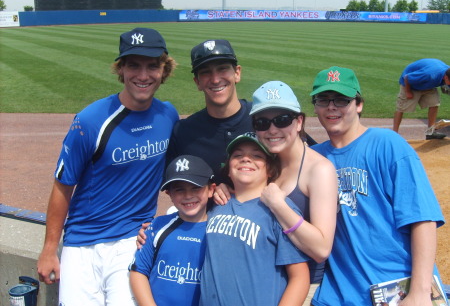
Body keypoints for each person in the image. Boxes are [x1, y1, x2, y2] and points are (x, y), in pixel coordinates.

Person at [37, 27, 179, 306]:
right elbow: (63, 186)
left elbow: (184, 172)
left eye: (152, 66)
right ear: (121, 70)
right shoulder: (90, 121)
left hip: (131, 240)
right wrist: (49, 249)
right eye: (133, 65)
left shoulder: (168, 116)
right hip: (82, 242)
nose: (143, 75)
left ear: (164, 70)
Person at [309, 66, 446, 306]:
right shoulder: (312, 158)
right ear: (315, 106)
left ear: (358, 105)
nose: (332, 106)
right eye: (323, 99)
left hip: (400, 288)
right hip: (340, 295)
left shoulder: (387, 144)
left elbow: (422, 218)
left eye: (342, 99)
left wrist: (420, 292)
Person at [213, 80, 337, 305]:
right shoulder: (268, 161)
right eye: (262, 122)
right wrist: (224, 189)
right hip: (266, 281)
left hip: (304, 289)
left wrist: (279, 205)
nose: (272, 130)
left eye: (282, 120)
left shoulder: (319, 169)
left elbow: (321, 248)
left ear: (299, 122)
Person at [166, 39, 316, 184]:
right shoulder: (184, 132)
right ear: (197, 82)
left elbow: (310, 157)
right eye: (205, 72)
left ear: (237, 73)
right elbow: (173, 184)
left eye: (222, 69)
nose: (216, 79)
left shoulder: (265, 118)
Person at [200, 132, 310, 306]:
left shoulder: (279, 208)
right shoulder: (216, 204)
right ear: (228, 168)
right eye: (237, 155)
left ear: (270, 169)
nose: (246, 159)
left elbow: (300, 277)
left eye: (257, 156)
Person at [129, 155, 215, 306]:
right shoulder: (158, 226)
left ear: (211, 190)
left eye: (196, 188)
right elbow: (138, 272)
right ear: (169, 194)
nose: (188, 195)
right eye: (179, 190)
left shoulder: (220, 231)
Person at [393, 58, 450, 139]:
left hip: (430, 85)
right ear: (446, 77)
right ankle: (394, 134)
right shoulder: (430, 74)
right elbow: (407, 78)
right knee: (401, 108)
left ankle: (430, 133)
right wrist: (408, 91)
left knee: (434, 104)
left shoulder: (448, 71)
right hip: (411, 84)